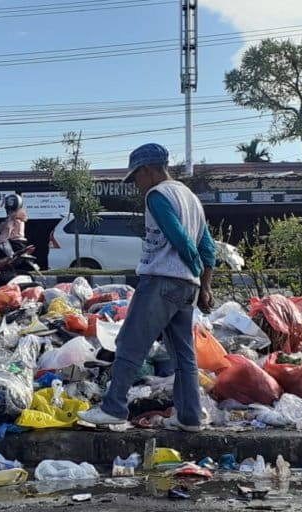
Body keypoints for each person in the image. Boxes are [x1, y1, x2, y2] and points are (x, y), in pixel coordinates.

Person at [78, 143, 216, 432]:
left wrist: (189, 265)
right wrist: (204, 285)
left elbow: (180, 238)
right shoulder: (190, 198)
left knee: (130, 343)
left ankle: (113, 407)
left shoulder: (158, 195)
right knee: (183, 354)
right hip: (186, 288)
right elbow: (208, 246)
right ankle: (190, 416)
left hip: (161, 281)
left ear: (150, 171)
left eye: (136, 178)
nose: (136, 186)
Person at [0, 194, 28, 280]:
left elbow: (7, 231)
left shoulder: (13, 217)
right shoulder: (18, 215)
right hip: (19, 243)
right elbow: (3, 227)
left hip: (13, 244)